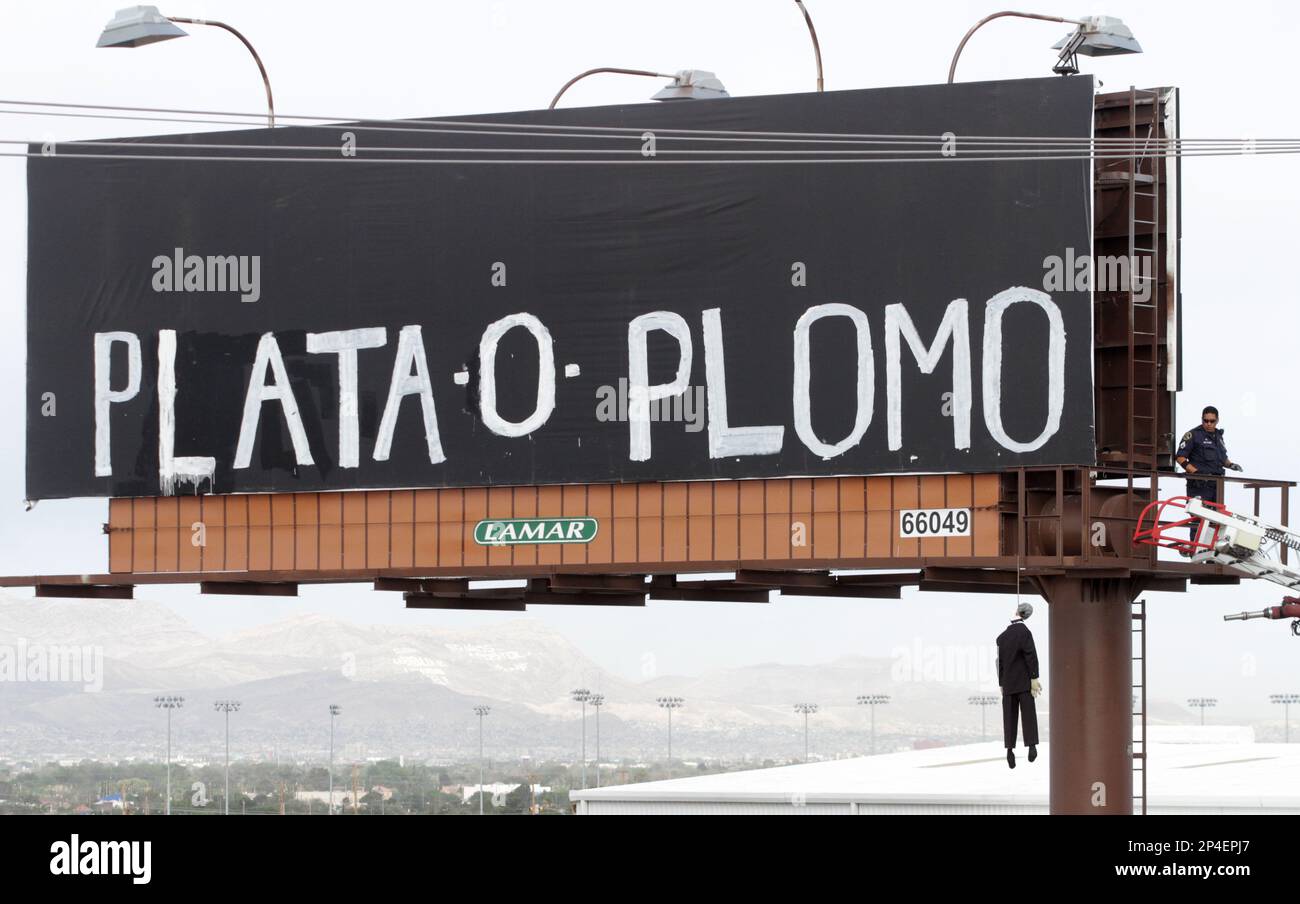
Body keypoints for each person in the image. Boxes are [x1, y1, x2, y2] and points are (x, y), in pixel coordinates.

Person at [1175, 406, 1243, 547]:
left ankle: (1211, 550)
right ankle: (1194, 548)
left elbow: (1222, 458)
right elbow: (1180, 457)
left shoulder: (1218, 436)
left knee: (1216, 519)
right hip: (1199, 486)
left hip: (1216, 485)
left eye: (1212, 421)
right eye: (1206, 421)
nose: (1209, 424)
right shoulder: (1193, 435)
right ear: (1202, 420)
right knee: (1198, 517)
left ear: (1217, 420)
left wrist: (1231, 465)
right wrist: (1195, 472)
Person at [996, 601, 1040, 769]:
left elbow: (999, 663)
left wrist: (1001, 683)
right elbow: (1031, 656)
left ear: (1016, 612)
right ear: (1027, 616)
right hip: (1023, 683)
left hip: (1007, 684)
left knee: (1009, 718)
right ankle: (1031, 747)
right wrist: (1034, 677)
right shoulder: (1025, 633)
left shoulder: (1002, 637)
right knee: (1028, 714)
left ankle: (1009, 751)